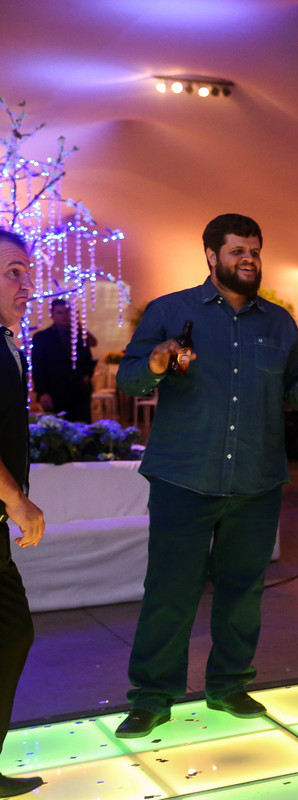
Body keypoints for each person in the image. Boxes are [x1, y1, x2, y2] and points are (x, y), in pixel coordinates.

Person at [114, 214, 298, 738]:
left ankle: (229, 684)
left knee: (243, 590)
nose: (249, 260)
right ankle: (152, 697)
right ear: (212, 256)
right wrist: (158, 364)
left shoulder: (279, 323)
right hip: (183, 475)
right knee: (170, 591)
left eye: (254, 251)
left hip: (256, 479)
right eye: (238, 251)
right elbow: (129, 377)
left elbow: (295, 396)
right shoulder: (170, 311)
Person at [0, 230, 46, 798]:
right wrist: (15, 498)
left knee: (12, 633)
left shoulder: (9, 344)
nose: (26, 284)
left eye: (27, 273)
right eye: (13, 272)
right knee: (11, 633)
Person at [30, 298, 98, 422]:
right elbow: (38, 367)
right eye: (60, 313)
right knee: (57, 429)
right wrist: (43, 392)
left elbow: (88, 358)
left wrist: (87, 376)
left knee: (82, 428)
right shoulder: (42, 337)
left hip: (79, 393)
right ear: (52, 315)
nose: (64, 316)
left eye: (67, 312)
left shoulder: (79, 334)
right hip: (55, 393)